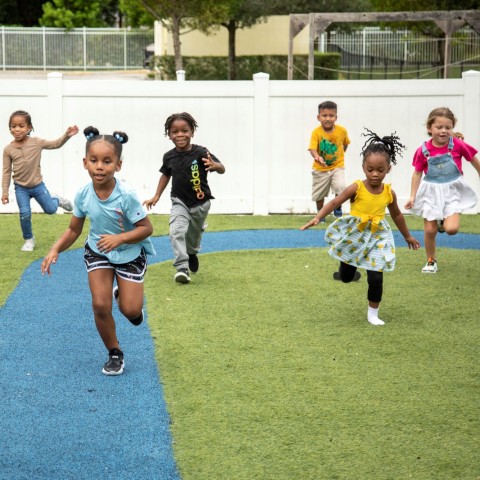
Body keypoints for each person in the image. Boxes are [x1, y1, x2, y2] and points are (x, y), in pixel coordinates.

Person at [41, 127, 155, 376]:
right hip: (98, 251)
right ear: (85, 163)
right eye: (94, 160)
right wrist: (54, 249)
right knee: (100, 305)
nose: (100, 166)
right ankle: (115, 352)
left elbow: (146, 228)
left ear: (118, 165)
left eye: (107, 161)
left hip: (130, 254)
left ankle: (126, 301)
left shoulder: (126, 196)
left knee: (130, 311)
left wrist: (120, 238)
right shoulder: (83, 195)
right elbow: (73, 230)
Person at [301, 129, 420, 326]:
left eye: (380, 170)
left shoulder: (389, 192)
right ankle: (348, 269)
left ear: (388, 169)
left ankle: (373, 314)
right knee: (347, 277)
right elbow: (334, 202)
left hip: (377, 236)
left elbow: (397, 214)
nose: (375, 174)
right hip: (355, 234)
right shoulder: (357, 187)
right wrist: (318, 217)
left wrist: (407, 236)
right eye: (370, 169)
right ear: (364, 167)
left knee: (375, 277)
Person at [144, 112, 225, 284]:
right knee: (176, 231)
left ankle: (192, 252)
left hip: (201, 203)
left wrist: (214, 165)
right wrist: (156, 195)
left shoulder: (201, 152)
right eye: (175, 131)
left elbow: (222, 168)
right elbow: (165, 175)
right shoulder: (169, 156)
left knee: (193, 236)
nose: (180, 135)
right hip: (179, 201)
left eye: (184, 130)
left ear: (192, 132)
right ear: (169, 135)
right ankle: (182, 267)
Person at [404, 107, 480, 273]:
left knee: (452, 229)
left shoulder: (458, 145)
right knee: (430, 230)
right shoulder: (422, 150)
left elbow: (474, 160)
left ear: (452, 128)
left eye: (448, 127)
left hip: (453, 190)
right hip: (431, 192)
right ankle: (431, 261)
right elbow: (417, 173)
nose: (444, 131)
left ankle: (443, 223)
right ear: (430, 128)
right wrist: (412, 196)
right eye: (439, 127)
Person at [2, 110, 79, 251]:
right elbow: (6, 171)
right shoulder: (8, 149)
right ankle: (29, 239)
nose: (17, 129)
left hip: (37, 186)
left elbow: (55, 144)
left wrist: (66, 135)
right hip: (21, 188)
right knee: (25, 213)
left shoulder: (37, 143)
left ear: (29, 127)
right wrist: (5, 192)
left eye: (21, 126)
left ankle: (56, 199)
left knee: (50, 209)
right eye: (13, 126)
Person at [308, 100, 350, 219]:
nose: (328, 118)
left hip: (337, 166)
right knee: (319, 194)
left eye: (331, 116)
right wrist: (317, 157)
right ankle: (320, 214)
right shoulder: (316, 132)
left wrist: (343, 152)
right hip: (320, 168)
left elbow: (346, 143)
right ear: (318, 117)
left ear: (336, 117)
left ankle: (338, 206)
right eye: (324, 115)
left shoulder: (342, 131)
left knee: (340, 186)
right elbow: (312, 148)